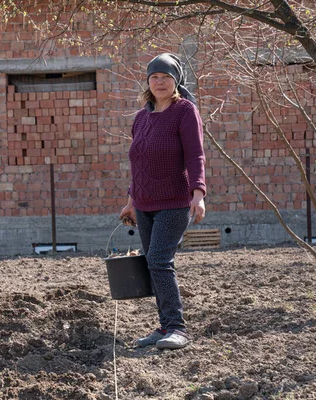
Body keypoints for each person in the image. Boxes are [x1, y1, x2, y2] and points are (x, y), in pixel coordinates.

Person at [119, 53, 206, 350]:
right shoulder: (141, 118)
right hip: (143, 204)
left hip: (174, 200)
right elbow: (138, 162)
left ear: (176, 81)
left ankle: (177, 328)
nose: (160, 82)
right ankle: (164, 326)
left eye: (166, 78)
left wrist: (198, 193)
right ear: (148, 81)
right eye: (154, 77)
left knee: (159, 260)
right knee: (152, 263)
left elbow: (195, 155)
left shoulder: (184, 111)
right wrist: (131, 200)